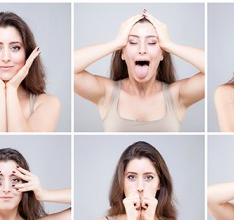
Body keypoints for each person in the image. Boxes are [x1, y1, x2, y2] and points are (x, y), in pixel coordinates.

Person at [75, 10, 204, 131]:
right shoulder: (107, 93)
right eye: (133, 42)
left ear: (162, 55)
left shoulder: (177, 95)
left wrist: (169, 45)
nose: (142, 49)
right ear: (123, 54)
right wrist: (116, 43)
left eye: (152, 42)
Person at [89, 141, 191, 220]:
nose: (140, 187)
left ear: (160, 183)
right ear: (122, 182)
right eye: (132, 177)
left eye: (148, 177)